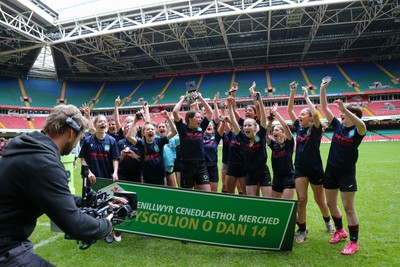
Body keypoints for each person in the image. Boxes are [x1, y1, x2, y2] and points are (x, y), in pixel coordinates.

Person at [0, 104, 117, 266]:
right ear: (71, 132)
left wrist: (89, 201)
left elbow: (54, 195)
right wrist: (107, 224)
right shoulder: (46, 163)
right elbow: (75, 225)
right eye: (79, 138)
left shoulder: (28, 147)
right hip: (6, 246)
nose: (77, 144)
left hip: (12, 238)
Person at [319, 79, 366, 255]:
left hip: (347, 173)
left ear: (352, 116)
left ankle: (354, 242)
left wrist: (344, 109)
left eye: (344, 114)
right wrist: (323, 88)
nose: (340, 116)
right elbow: (324, 107)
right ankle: (340, 231)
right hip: (331, 170)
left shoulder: (358, 131)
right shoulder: (338, 126)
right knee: (331, 203)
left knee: (348, 207)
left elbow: (361, 125)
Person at [287, 82, 334, 244]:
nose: (300, 117)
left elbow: (316, 116)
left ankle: (328, 222)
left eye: (303, 114)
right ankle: (302, 229)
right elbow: (289, 110)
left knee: (320, 200)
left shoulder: (315, 130)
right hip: (300, 168)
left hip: (315, 169)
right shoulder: (298, 128)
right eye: (300, 115)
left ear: (309, 117)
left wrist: (307, 99)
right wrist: (292, 92)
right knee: (301, 200)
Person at [228, 91, 272, 197]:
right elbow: (233, 121)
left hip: (263, 172)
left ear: (255, 127)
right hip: (250, 173)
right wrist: (230, 106)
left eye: (249, 125)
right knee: (252, 202)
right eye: (245, 126)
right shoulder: (242, 138)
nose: (247, 127)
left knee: (269, 201)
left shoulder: (260, 135)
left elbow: (263, 118)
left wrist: (260, 100)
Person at [173, 92, 212, 191]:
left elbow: (210, 113)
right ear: (190, 119)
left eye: (200, 117)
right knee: (187, 196)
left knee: (207, 194)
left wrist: (201, 97)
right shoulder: (183, 129)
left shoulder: (201, 128)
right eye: (197, 117)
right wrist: (184, 99)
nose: (200, 119)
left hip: (201, 165)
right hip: (186, 166)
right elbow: (174, 112)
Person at [266, 104, 295, 200]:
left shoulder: (289, 143)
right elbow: (265, 136)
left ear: (283, 132)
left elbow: (286, 126)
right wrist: (270, 123)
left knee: (287, 205)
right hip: (277, 178)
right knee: (275, 205)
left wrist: (276, 113)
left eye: (277, 130)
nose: (274, 132)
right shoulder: (274, 145)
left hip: (289, 177)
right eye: (273, 130)